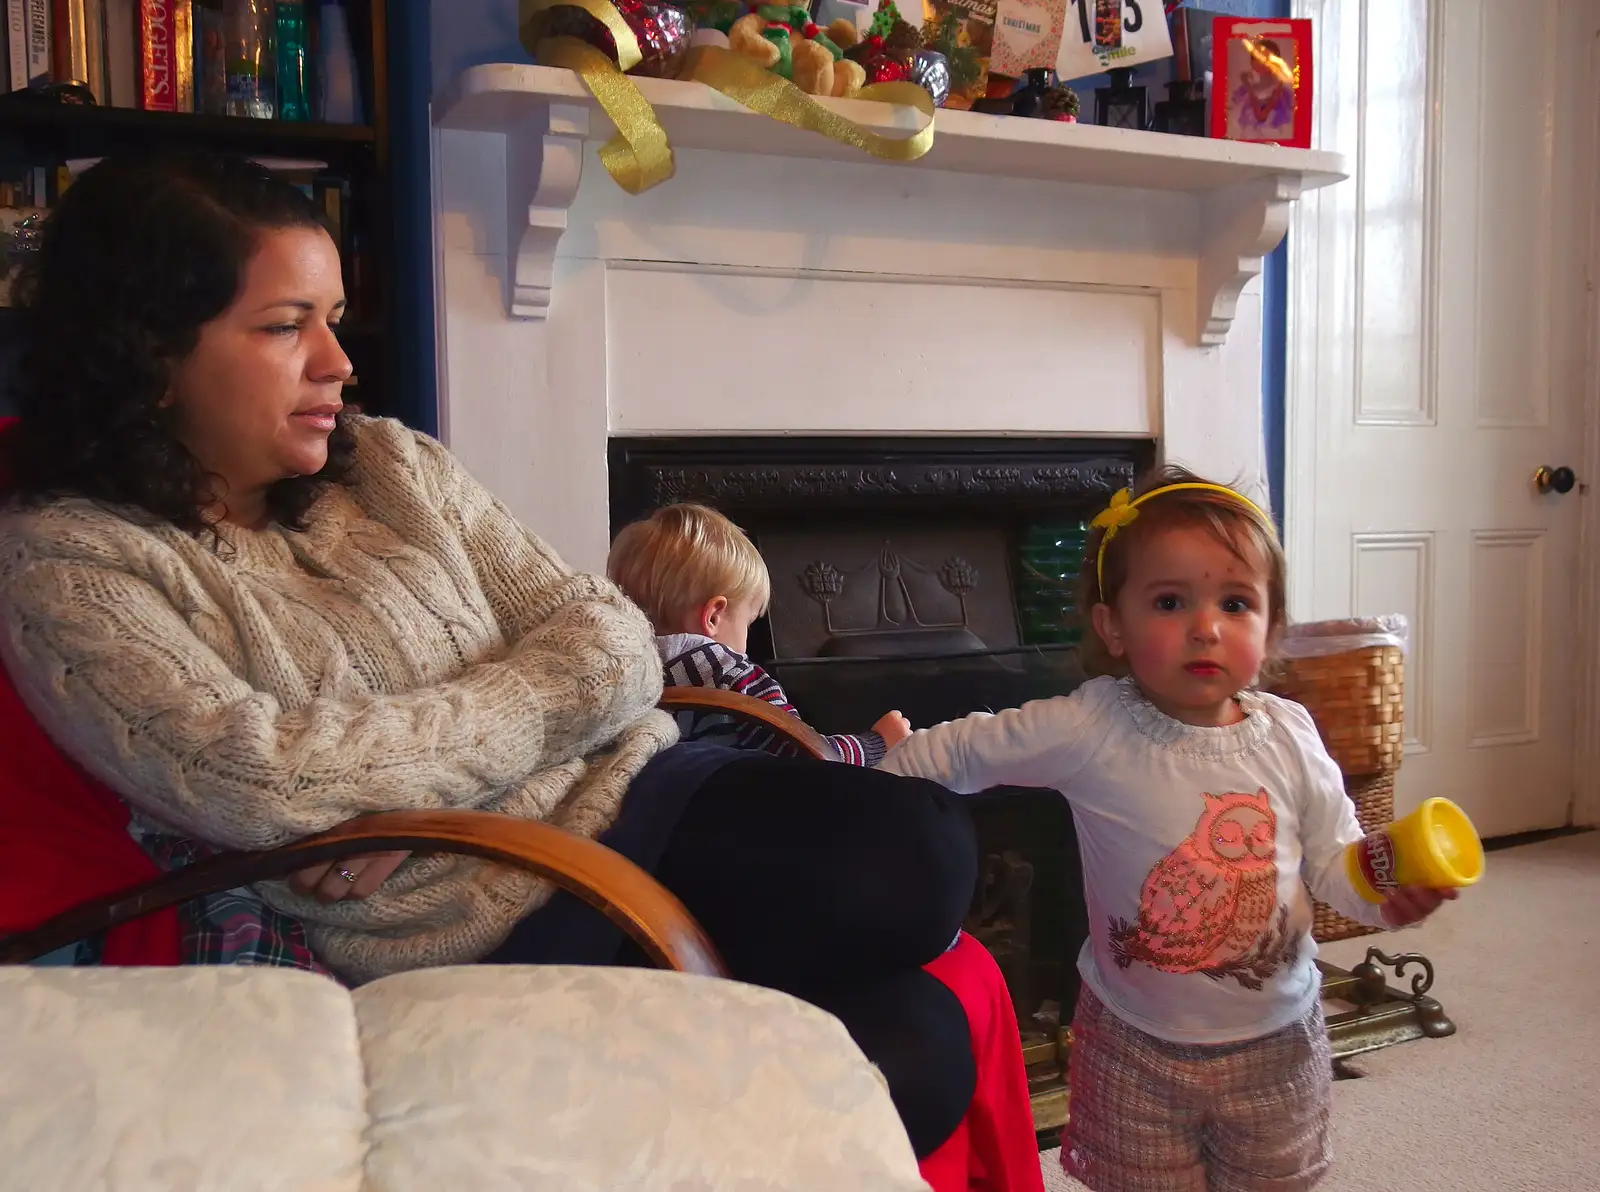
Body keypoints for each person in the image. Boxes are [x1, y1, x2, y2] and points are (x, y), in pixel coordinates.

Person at [0, 151, 981, 1165]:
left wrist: (399, 794)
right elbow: (258, 775)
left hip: (640, 791)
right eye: (286, 324)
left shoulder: (386, 463)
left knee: (926, 878)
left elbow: (611, 634)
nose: (337, 362)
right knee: (913, 1025)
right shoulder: (70, 565)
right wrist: (469, 755)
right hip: (497, 905)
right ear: (149, 353)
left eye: (335, 317)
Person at [877, 466, 1459, 1192]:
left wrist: (1385, 891)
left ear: (1271, 627)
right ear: (1113, 627)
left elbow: (1336, 864)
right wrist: (889, 763)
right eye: (1170, 601)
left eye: (1236, 602)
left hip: (1278, 1043)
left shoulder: (1290, 735)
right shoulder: (1092, 726)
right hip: (1134, 1048)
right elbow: (973, 748)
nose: (1205, 627)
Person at [606, 502, 912, 765]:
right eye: (747, 623)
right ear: (713, 616)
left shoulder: (624, 673)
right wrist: (877, 743)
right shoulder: (727, 673)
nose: (747, 640)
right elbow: (808, 754)